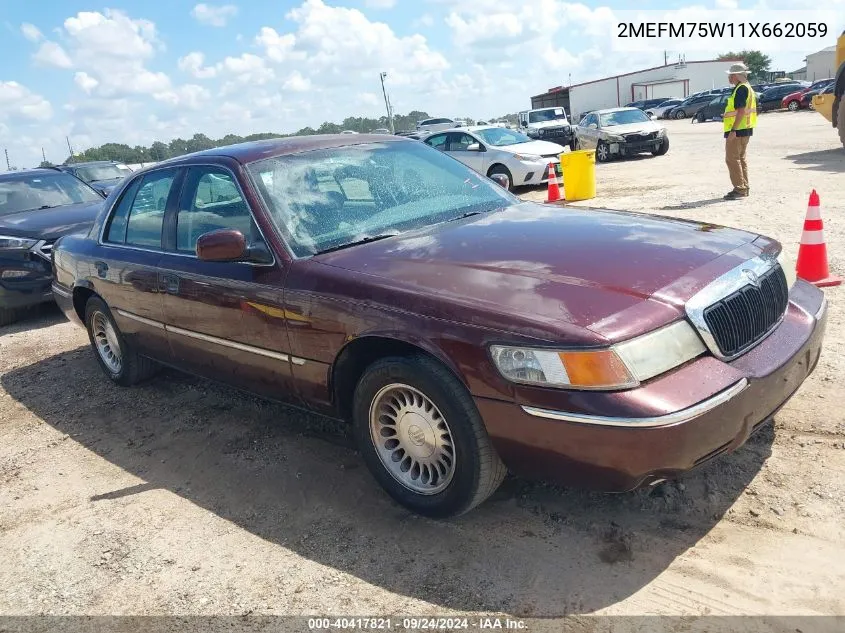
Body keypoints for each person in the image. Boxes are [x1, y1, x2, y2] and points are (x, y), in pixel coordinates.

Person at [722, 62, 758, 200]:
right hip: (746, 129)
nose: (729, 78)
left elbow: (741, 111)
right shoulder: (748, 88)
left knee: (732, 159)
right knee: (740, 159)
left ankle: (739, 188)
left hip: (737, 130)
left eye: (730, 75)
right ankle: (744, 187)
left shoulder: (740, 89)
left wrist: (733, 130)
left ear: (736, 75)